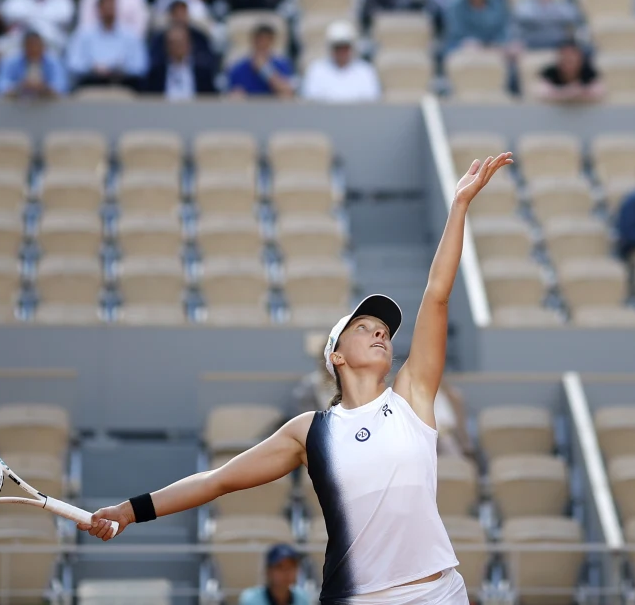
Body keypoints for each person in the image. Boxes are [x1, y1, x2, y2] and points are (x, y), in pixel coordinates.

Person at [82, 148, 516, 605]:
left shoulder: (412, 396)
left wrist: (459, 206)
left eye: (384, 330)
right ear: (336, 357)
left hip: (440, 593)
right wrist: (130, 511)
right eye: (364, 328)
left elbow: (438, 294)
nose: (379, 333)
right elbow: (218, 480)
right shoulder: (311, 431)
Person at [67, 0, 149, 89]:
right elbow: (73, 64)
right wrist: (92, 68)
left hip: (123, 86)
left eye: (112, 5)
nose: (109, 9)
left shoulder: (131, 35)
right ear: (98, 9)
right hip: (90, 85)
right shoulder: (83, 34)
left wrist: (119, 69)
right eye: (106, 6)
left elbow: (140, 66)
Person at [302, 21, 382, 103]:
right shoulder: (316, 70)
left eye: (345, 47)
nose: (342, 51)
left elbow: (372, 102)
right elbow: (310, 102)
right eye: (338, 47)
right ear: (331, 48)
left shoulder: (365, 71)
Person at [142, 24, 216, 100]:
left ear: (189, 44)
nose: (177, 47)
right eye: (173, 43)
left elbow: (213, 99)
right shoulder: (155, 74)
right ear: (166, 46)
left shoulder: (203, 74)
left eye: (180, 43)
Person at [0, 30, 69, 97]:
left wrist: (44, 88)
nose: (34, 49)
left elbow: (62, 89)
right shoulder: (9, 61)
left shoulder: (54, 62)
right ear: (24, 47)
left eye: (37, 46)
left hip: (48, 108)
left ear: (43, 47)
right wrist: (19, 87)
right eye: (30, 46)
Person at [226, 23, 295, 97]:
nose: (263, 44)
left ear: (272, 42)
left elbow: (288, 91)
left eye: (267, 40)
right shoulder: (238, 68)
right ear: (253, 41)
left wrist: (265, 70)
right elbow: (231, 94)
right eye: (259, 40)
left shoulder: (282, 65)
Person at [148, 0, 215, 72]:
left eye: (183, 13)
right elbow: (152, 61)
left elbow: (208, 60)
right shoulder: (159, 38)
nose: (180, 17)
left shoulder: (199, 37)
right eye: (177, 14)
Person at [534, 39, 602, 104]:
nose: (568, 59)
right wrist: (568, 92)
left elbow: (599, 92)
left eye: (572, 58)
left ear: (580, 59)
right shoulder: (549, 73)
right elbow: (541, 93)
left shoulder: (589, 74)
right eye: (565, 57)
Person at [239, 544, 310, 605]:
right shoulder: (251, 599)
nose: (286, 572)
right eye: (280, 567)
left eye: (291, 567)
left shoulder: (302, 598)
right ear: (268, 571)